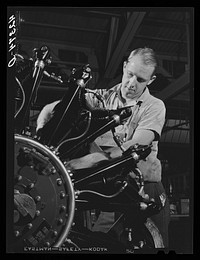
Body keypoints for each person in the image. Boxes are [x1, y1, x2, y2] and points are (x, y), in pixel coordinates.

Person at [36, 47, 170, 248]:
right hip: (113, 188)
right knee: (103, 243)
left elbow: (131, 148)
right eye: (130, 74)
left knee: (153, 246)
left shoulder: (154, 106)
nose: (132, 83)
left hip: (146, 188)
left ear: (150, 81)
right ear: (124, 67)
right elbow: (49, 110)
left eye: (140, 80)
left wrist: (77, 163)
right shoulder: (101, 98)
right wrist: (41, 143)